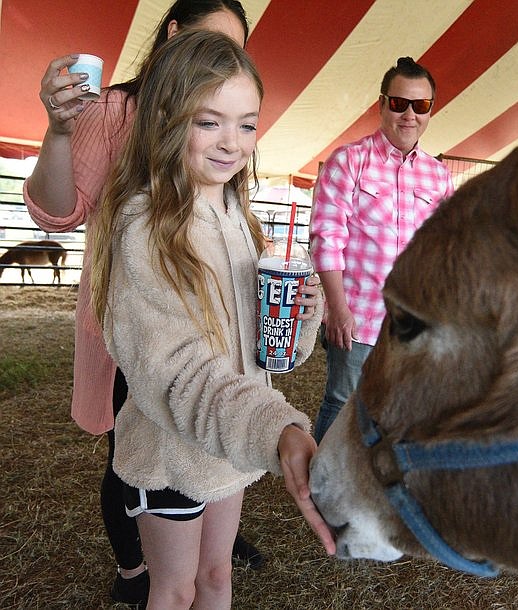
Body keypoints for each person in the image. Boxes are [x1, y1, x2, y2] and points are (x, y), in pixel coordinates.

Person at [22, 1, 265, 605]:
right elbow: (58, 211)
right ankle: (136, 568)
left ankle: (191, 548)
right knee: (136, 449)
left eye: (232, 53)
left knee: (201, 509)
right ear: (174, 35)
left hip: (214, 352)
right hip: (135, 330)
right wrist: (59, 132)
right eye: (209, 45)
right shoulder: (117, 113)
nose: (216, 65)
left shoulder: (226, 168)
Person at [89, 29, 335, 609]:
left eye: (247, 123)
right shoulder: (143, 227)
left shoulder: (235, 214)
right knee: (172, 590)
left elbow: (263, 352)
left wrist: (299, 318)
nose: (233, 142)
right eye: (209, 122)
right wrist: (277, 429)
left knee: (217, 578)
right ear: (167, 119)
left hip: (229, 445)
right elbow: (179, 375)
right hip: (173, 450)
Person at [309, 57, 454, 442]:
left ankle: (370, 493)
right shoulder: (348, 161)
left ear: (431, 110)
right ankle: (316, 498)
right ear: (382, 104)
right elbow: (326, 237)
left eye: (420, 105)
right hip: (358, 319)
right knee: (343, 404)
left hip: (412, 323)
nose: (409, 115)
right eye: (399, 103)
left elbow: (443, 250)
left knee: (397, 411)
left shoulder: (439, 175)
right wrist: (337, 309)